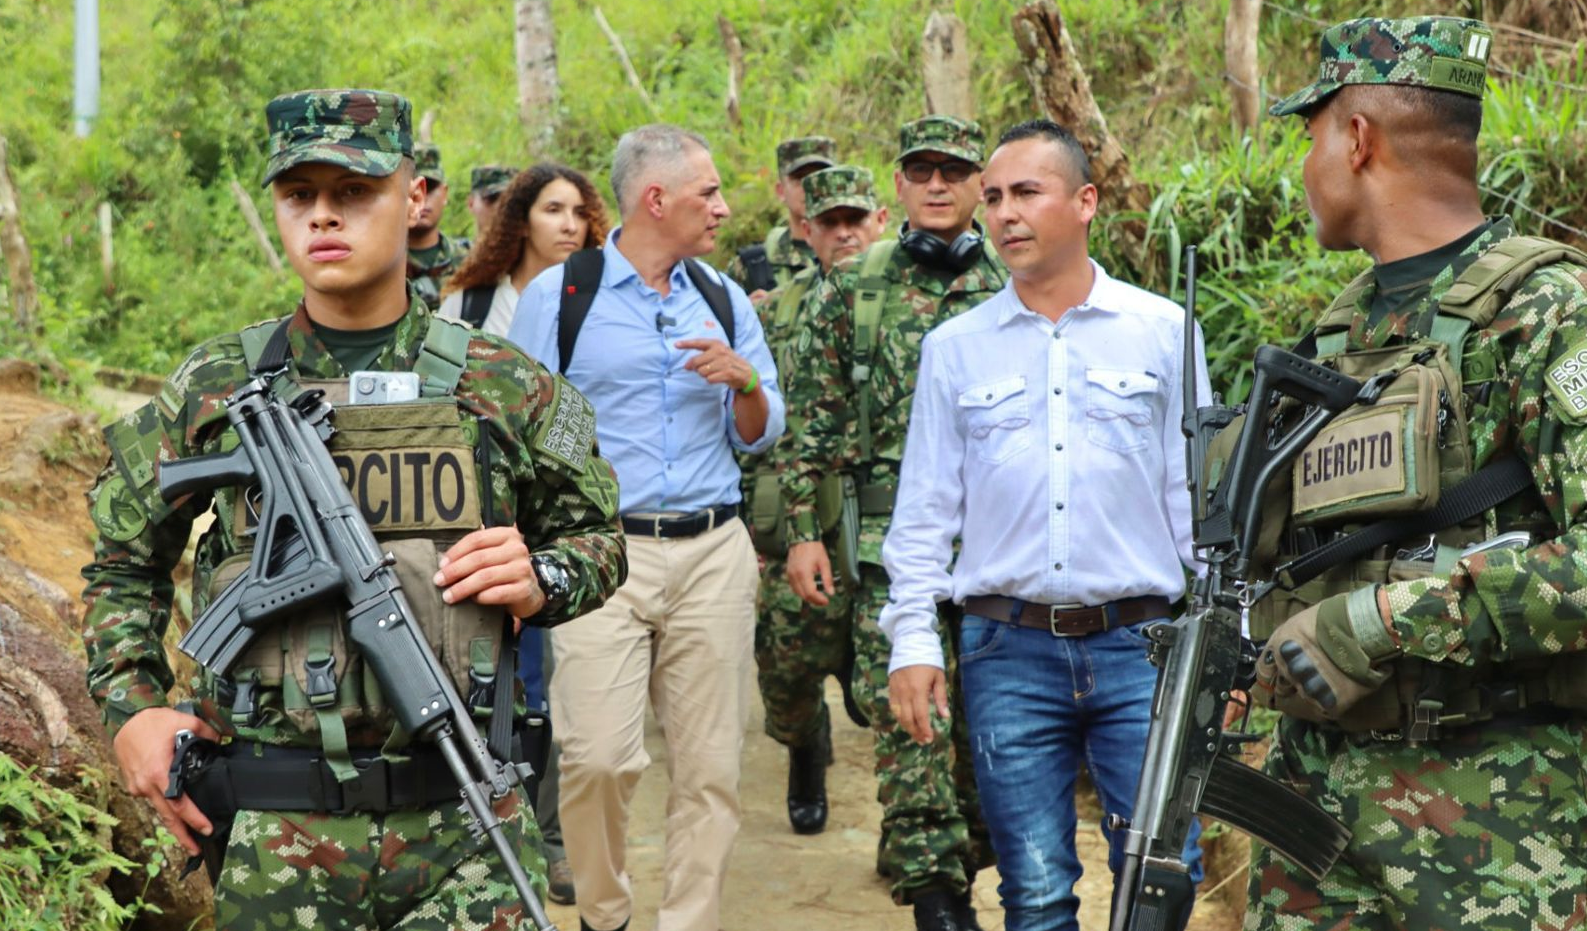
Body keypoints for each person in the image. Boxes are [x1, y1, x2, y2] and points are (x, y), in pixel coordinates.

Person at [80, 89, 626, 930]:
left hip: (465, 822)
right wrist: (133, 705)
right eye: (300, 196)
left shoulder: (502, 379)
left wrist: (542, 575)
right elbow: (124, 555)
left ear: (413, 199)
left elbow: (597, 534)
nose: (324, 217)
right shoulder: (216, 381)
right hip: (274, 828)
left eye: (354, 191)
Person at [1241, 15, 1587, 930]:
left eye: (1308, 136)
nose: (1303, 164)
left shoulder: (1547, 312)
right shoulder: (1333, 334)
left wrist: (1383, 623)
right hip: (1311, 809)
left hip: (1495, 823)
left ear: (1355, 138)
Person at [881, 119, 1207, 931]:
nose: (1002, 214)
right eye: (991, 197)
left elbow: (1195, 501)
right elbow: (923, 509)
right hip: (1006, 649)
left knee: (1163, 875)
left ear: (1084, 200)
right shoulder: (955, 348)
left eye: (1025, 192)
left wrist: (1219, 645)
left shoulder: (1163, 331)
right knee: (1031, 888)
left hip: (1143, 648)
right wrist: (912, 641)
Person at [508, 123, 785, 931]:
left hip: (712, 551)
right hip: (602, 555)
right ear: (655, 199)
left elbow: (763, 428)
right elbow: (517, 420)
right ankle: (605, 915)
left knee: (710, 770)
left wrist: (743, 383)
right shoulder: (560, 296)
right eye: (709, 193)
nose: (724, 208)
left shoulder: (723, 297)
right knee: (595, 758)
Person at [782, 114, 1006, 931]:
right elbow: (809, 417)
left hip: (1001, 553)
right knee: (911, 733)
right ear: (898, 187)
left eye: (954, 170)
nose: (938, 184)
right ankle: (935, 899)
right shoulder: (852, 287)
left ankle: (971, 861)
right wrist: (804, 530)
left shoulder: (1016, 278)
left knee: (990, 737)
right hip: (887, 553)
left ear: (981, 182)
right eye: (921, 171)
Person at [744, 164, 888, 836]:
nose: (843, 233)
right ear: (806, 229)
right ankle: (805, 746)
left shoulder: (903, 301)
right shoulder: (775, 310)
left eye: (855, 219)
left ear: (879, 222)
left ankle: (914, 837)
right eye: (828, 221)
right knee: (787, 671)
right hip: (801, 515)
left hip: (885, 519)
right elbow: (752, 422)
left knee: (888, 680)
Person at [441, 164, 611, 337]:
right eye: (553, 210)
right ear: (522, 223)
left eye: (580, 214)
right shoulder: (469, 306)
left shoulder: (603, 305)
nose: (571, 226)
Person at [723, 135, 834, 302]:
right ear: (781, 190)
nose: (812, 187)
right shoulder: (750, 267)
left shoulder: (857, 255)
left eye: (821, 177)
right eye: (800, 179)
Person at [408, 141, 471, 310]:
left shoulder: (469, 263)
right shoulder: (380, 262)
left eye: (430, 188)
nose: (422, 197)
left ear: (444, 193)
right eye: (413, 187)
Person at [468, 163, 518, 235]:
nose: (500, 207)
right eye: (492, 198)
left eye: (509, 201)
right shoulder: (452, 246)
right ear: (471, 203)